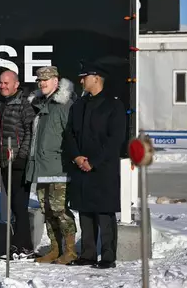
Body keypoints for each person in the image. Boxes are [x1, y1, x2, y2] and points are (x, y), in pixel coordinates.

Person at [64, 61, 127, 269]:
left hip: (103, 168)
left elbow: (115, 139)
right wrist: (77, 158)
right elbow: (70, 134)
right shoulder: (78, 105)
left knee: (104, 212)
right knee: (85, 210)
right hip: (82, 166)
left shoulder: (113, 105)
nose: (81, 81)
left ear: (96, 78)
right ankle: (88, 254)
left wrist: (94, 161)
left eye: (85, 77)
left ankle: (108, 256)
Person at [26, 66, 78, 264]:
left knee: (60, 210)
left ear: (56, 81)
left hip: (58, 167)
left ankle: (70, 250)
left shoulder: (65, 105)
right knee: (46, 209)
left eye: (45, 80)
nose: (41, 83)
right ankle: (55, 250)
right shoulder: (40, 103)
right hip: (41, 166)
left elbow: (71, 136)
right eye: (39, 80)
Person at [0, 70, 35, 259]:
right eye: (1, 82)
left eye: (7, 82)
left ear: (16, 84)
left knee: (19, 204)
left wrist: (21, 156)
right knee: (15, 206)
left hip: (19, 162)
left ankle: (21, 246)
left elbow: (30, 131)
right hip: (4, 162)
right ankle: (22, 245)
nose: (3, 85)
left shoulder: (23, 105)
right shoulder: (0, 105)